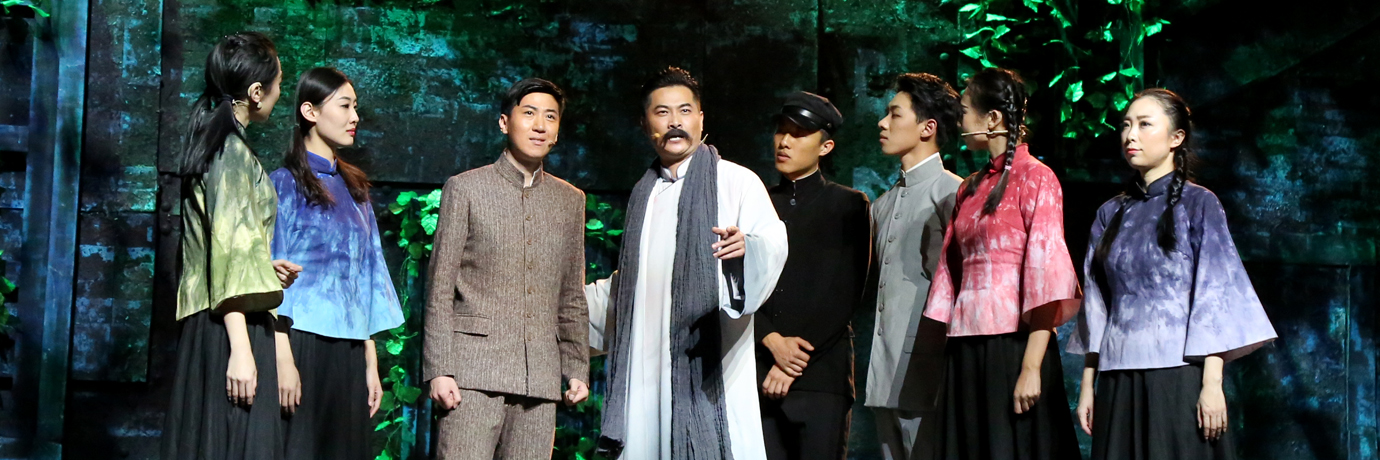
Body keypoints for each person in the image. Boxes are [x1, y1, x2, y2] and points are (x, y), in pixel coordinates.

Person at [585, 66, 789, 460]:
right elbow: (634, 283)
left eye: (684, 111)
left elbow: (772, 244)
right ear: (645, 124)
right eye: (662, 112)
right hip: (646, 365)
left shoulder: (735, 181)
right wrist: (568, 308)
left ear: (701, 119)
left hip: (712, 367)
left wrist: (746, 251)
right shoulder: (644, 195)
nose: (674, 122)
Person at [1067, 88, 1276, 460]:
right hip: (1118, 377)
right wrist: (1088, 384)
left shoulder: (1199, 203)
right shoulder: (1109, 213)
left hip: (1177, 376)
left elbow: (1215, 297)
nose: (1130, 135)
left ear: (1176, 137)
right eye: (1126, 125)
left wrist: (1212, 383)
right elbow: (1096, 305)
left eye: (1145, 124)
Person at [423, 77, 591, 459]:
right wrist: (439, 369)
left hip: (540, 381)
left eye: (550, 117)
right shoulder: (465, 188)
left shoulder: (570, 201)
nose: (539, 125)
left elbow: (571, 295)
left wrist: (577, 368)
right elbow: (439, 288)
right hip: (471, 375)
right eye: (529, 113)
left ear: (558, 131)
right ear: (504, 122)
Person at [922, 67, 1082, 460]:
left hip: (1013, 345)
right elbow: (950, 272)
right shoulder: (969, 187)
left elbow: (1046, 277)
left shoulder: (1037, 178)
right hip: (966, 345)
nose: (959, 120)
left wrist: (1031, 367)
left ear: (992, 118)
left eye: (964, 111)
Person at [162, 31, 302, 460]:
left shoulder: (216, 145)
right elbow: (229, 253)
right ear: (256, 92)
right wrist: (241, 350)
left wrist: (263, 267)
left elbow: (224, 246)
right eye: (278, 84)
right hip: (230, 326)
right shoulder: (230, 152)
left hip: (220, 320)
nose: (280, 94)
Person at [269, 67, 405, 459]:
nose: (354, 117)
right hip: (300, 342)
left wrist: (370, 359)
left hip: (349, 350)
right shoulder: (284, 183)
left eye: (355, 107)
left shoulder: (355, 189)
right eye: (344, 106)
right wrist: (282, 358)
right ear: (310, 111)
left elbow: (367, 276)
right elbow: (270, 276)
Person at [755, 91, 870, 460]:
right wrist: (771, 340)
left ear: (826, 146)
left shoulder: (848, 204)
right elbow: (735, 285)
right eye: (781, 131)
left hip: (821, 375)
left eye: (799, 134)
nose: (785, 142)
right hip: (758, 370)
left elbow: (847, 292)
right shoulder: (756, 203)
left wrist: (792, 360)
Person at [864, 73, 964, 460]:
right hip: (884, 372)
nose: (883, 123)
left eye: (894, 114)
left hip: (929, 374)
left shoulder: (953, 192)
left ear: (927, 127)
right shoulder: (882, 204)